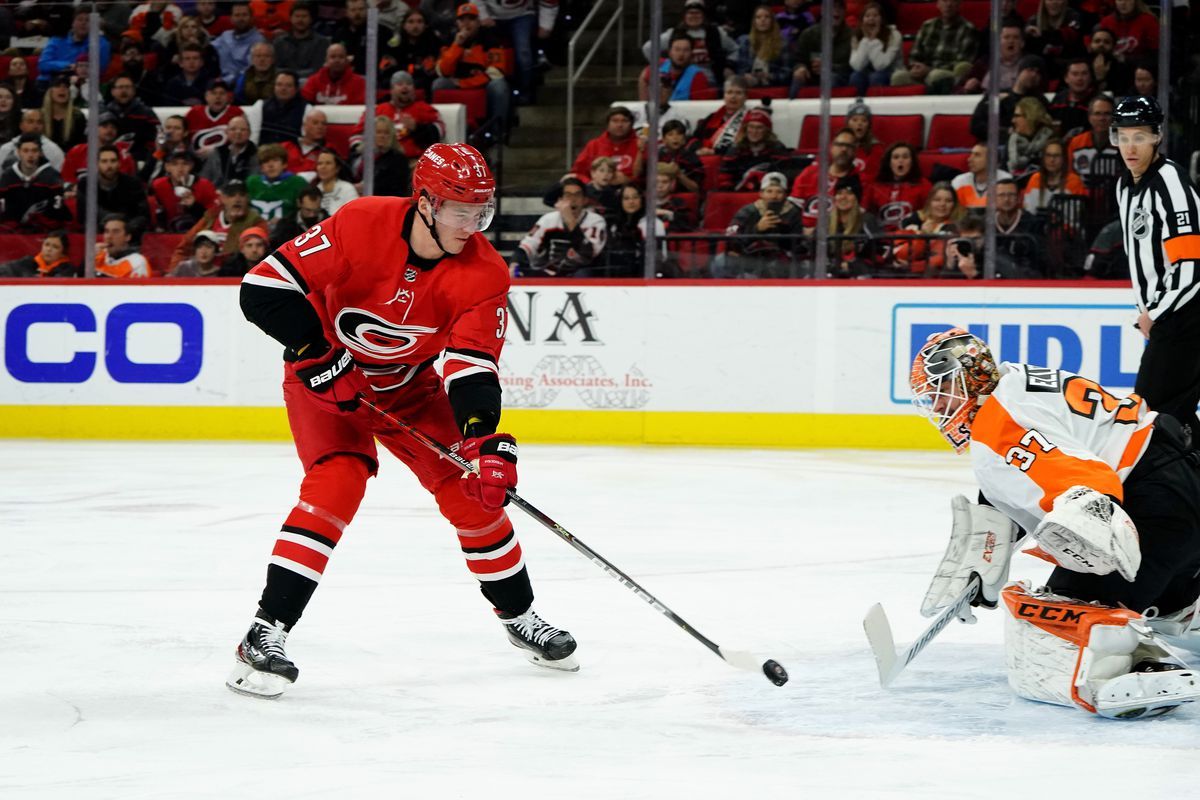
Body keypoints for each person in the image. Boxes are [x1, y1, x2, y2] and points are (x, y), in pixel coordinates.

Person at [226, 143, 578, 698]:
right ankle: (264, 633)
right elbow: (264, 288)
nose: (476, 223)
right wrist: (316, 356)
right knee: (336, 484)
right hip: (328, 387)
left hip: (409, 390)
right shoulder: (361, 223)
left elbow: (471, 365)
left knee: (473, 493)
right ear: (427, 202)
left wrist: (482, 439)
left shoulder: (484, 272)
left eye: (481, 210)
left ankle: (519, 618)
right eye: (464, 209)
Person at [908, 327, 1200, 718]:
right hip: (1182, 479)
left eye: (941, 392)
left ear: (965, 380)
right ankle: (1180, 604)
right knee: (1164, 595)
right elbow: (1036, 468)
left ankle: (1128, 673)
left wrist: (1092, 563)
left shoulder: (996, 424)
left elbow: (1085, 479)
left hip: (1152, 505)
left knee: (1052, 619)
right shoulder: (1020, 381)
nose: (939, 407)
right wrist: (984, 559)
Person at [1112, 96, 1200, 439]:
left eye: (1139, 137)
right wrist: (1147, 311)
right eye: (1123, 136)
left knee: (1148, 413)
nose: (1130, 146)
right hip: (1168, 319)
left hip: (1186, 315)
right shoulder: (1125, 186)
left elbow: (1191, 263)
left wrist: (1156, 313)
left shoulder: (1171, 182)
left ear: (1156, 137)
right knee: (1173, 415)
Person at [433, 4, 514, 134]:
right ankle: (445, 132)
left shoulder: (491, 39)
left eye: (471, 19)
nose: (466, 23)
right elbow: (443, 71)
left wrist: (463, 83)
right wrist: (457, 46)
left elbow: (496, 73)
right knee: (439, 84)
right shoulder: (449, 41)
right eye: (462, 19)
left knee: (499, 86)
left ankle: (497, 135)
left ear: (478, 22)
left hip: (483, 85)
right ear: (457, 23)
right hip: (459, 82)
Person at [714, 170, 805, 279]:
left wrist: (782, 230)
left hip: (781, 258)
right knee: (721, 261)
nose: (774, 196)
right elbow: (732, 238)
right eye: (769, 191)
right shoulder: (748, 211)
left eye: (779, 192)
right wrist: (757, 229)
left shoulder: (793, 213)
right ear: (761, 193)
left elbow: (799, 244)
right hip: (749, 257)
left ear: (785, 194)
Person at [512, 177, 607, 277]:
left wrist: (570, 221)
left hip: (582, 273)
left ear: (584, 200)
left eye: (577, 195)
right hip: (548, 272)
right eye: (568, 195)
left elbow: (589, 253)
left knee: (583, 274)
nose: (573, 199)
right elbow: (527, 246)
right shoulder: (548, 219)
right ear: (560, 199)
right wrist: (514, 264)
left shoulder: (596, 221)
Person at [170, 178, 265, 270]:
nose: (237, 199)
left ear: (247, 198)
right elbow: (184, 248)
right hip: (205, 272)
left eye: (242, 195)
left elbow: (263, 253)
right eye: (231, 195)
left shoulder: (255, 221)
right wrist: (173, 273)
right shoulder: (210, 217)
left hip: (236, 273)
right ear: (222, 198)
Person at [350, 71, 444, 161]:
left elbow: (439, 133)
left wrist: (417, 128)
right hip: (382, 161)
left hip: (415, 162)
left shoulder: (425, 109)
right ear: (391, 89)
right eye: (400, 84)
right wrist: (363, 152)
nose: (405, 87)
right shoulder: (377, 111)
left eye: (409, 83)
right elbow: (356, 135)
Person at [477, 0, 557, 105]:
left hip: (523, 15)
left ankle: (525, 93)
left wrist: (546, 25)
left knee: (523, 53)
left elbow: (549, 2)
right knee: (491, 55)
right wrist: (483, 15)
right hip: (492, 16)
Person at [890, 0, 977, 94]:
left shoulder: (968, 29)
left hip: (948, 74)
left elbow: (962, 63)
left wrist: (929, 69)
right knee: (898, 77)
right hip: (923, 72)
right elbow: (915, 54)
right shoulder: (927, 25)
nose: (948, 4)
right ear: (938, 4)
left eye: (952, 1)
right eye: (944, 1)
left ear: (959, 4)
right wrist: (916, 66)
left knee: (935, 76)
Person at [642, 0, 736, 85]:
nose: (694, 16)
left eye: (697, 13)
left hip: (711, 80)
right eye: (690, 13)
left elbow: (735, 49)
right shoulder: (674, 33)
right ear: (684, 15)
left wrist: (729, 65)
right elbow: (648, 48)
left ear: (703, 15)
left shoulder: (716, 32)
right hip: (681, 80)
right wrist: (665, 65)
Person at [789, 127, 859, 229]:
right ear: (831, 147)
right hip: (804, 235)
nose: (844, 149)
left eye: (848, 146)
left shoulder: (860, 180)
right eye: (839, 145)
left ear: (855, 151)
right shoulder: (809, 173)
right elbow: (793, 209)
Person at [0, 135, 69, 232]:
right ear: (18, 152)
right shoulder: (8, 176)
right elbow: (4, 213)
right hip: (13, 233)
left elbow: (56, 214)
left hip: (45, 232)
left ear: (40, 152)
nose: (30, 155)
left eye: (34, 150)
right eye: (25, 151)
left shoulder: (52, 177)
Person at [76, 144, 153, 232]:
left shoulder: (133, 183)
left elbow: (144, 216)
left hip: (128, 232)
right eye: (104, 161)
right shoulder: (85, 184)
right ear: (97, 164)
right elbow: (83, 217)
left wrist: (126, 228)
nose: (109, 166)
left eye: (113, 161)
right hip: (97, 233)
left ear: (119, 163)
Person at [892, 182, 961, 275]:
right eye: (937, 200)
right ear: (929, 202)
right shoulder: (913, 220)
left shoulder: (953, 228)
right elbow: (900, 253)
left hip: (935, 278)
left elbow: (938, 260)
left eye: (948, 201)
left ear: (954, 204)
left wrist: (912, 266)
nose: (942, 204)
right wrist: (923, 234)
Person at [718, 108, 791, 191]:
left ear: (767, 130)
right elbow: (724, 177)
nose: (754, 131)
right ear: (746, 129)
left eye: (759, 128)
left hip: (769, 193)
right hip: (739, 192)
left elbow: (784, 176)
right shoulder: (735, 149)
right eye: (751, 127)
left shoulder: (777, 149)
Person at [865, 142, 930, 233]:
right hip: (878, 239)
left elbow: (930, 213)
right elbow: (864, 214)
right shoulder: (875, 186)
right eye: (896, 157)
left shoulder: (923, 184)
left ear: (912, 162)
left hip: (911, 239)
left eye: (905, 157)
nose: (900, 161)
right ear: (889, 163)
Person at [788, 0, 851, 94]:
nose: (836, 11)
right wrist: (800, 67)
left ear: (844, 12)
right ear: (823, 11)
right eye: (832, 7)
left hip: (839, 77)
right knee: (798, 78)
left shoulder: (851, 35)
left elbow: (851, 67)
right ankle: (791, 106)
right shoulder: (808, 34)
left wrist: (828, 67)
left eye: (840, 8)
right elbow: (798, 59)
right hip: (812, 75)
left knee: (830, 79)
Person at [603, 184, 665, 278]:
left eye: (635, 197)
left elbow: (661, 257)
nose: (631, 202)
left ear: (642, 199)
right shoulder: (613, 225)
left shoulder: (654, 224)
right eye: (626, 198)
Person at [151, 150, 219, 232]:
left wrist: (194, 205)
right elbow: (156, 211)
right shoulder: (158, 185)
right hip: (168, 232)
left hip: (198, 231)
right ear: (167, 167)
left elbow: (213, 217)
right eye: (174, 164)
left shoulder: (205, 185)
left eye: (185, 164)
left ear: (191, 166)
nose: (180, 169)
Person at [38, 9, 112, 84]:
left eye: (88, 20)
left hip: (83, 83)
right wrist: (69, 65)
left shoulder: (101, 43)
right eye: (80, 19)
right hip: (49, 82)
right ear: (72, 23)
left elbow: (100, 69)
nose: (83, 23)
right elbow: (43, 65)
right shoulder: (56, 40)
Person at [570, 106, 638, 185]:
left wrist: (630, 180)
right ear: (607, 125)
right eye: (615, 121)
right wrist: (591, 184)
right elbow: (578, 172)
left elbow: (649, 174)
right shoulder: (594, 145)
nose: (620, 125)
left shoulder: (640, 145)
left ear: (631, 125)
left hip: (632, 192)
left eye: (624, 121)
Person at [106, 73, 162, 162]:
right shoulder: (105, 113)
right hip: (109, 158)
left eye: (128, 87)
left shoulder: (146, 113)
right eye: (120, 87)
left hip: (140, 159)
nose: (124, 90)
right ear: (112, 91)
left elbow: (158, 137)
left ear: (134, 90)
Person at [248, 143, 309, 224]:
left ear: (284, 164)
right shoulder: (252, 182)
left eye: (275, 160)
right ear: (261, 167)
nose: (270, 165)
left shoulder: (297, 183)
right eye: (266, 161)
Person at [848, 2, 901, 95]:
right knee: (855, 76)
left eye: (875, 15)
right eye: (867, 16)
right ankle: (858, 107)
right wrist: (865, 41)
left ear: (882, 19)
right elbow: (857, 66)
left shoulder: (894, 35)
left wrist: (873, 40)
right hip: (866, 71)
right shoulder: (857, 37)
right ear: (862, 20)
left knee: (876, 77)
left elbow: (880, 65)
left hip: (890, 71)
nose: (871, 19)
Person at [185, 78, 247, 156]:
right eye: (213, 93)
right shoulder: (193, 113)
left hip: (227, 160)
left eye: (222, 93)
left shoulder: (237, 113)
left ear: (228, 96)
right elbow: (184, 138)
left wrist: (218, 151)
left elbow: (243, 141)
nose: (218, 97)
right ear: (206, 96)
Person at [689, 76, 749, 157]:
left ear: (746, 97)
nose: (733, 97)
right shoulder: (712, 117)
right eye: (729, 92)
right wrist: (700, 149)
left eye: (738, 93)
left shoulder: (750, 119)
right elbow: (694, 138)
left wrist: (715, 152)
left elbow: (746, 147)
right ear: (724, 95)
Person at [1021, 138, 1086, 213]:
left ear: (1064, 158)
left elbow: (1078, 215)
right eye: (1048, 155)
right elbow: (1027, 211)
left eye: (1056, 155)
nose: (1052, 160)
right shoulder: (1035, 179)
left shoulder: (1074, 181)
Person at [354, 116, 411, 199]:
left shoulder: (399, 160)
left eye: (386, 133)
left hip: (382, 201)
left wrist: (367, 187)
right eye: (378, 132)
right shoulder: (357, 156)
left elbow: (397, 189)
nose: (382, 136)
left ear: (392, 136)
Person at [736, 5, 791, 90]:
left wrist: (770, 76)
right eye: (758, 17)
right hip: (748, 85)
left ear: (772, 21)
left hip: (773, 85)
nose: (763, 20)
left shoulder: (782, 43)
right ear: (754, 22)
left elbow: (787, 73)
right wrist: (745, 76)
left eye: (767, 17)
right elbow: (740, 69)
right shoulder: (745, 41)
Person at [272, 3, 329, 81]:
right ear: (291, 18)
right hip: (284, 82)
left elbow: (317, 70)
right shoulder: (279, 42)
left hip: (311, 82)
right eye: (297, 16)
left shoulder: (322, 42)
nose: (300, 20)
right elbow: (275, 68)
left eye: (304, 16)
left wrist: (292, 75)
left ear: (311, 19)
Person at [213, 3, 266, 85]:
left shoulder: (258, 41)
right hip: (219, 83)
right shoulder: (225, 36)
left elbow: (250, 70)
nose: (241, 19)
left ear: (252, 18)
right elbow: (207, 47)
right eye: (237, 15)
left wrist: (226, 80)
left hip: (244, 84)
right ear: (231, 18)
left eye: (244, 15)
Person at [1007, 97, 1059, 180]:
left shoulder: (1051, 142)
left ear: (1030, 117)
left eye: (1017, 116)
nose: (1013, 120)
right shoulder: (1013, 141)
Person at [200, 115, 259, 187]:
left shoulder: (257, 153)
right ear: (226, 132)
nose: (238, 132)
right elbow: (205, 179)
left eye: (243, 129)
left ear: (249, 133)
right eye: (233, 129)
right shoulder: (217, 153)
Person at [300, 43, 366, 106]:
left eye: (341, 57)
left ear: (346, 60)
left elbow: (361, 108)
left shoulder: (359, 82)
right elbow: (304, 104)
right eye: (333, 57)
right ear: (326, 60)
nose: (337, 60)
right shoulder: (314, 81)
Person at [0, 110, 66, 172]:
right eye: (30, 122)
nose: (35, 126)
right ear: (21, 125)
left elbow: (60, 177)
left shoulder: (53, 150)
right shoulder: (6, 149)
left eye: (39, 122)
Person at [952, 143, 1012, 209]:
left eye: (977, 155)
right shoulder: (960, 181)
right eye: (971, 154)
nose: (969, 159)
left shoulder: (1006, 181)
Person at [1048, 58, 1097, 141]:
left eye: (1084, 74)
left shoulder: (1098, 102)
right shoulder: (1058, 100)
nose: (1079, 78)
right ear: (1066, 78)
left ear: (1090, 78)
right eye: (1075, 74)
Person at [259, 70, 309, 146]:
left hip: (292, 153)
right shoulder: (261, 106)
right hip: (265, 152)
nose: (283, 88)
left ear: (296, 89)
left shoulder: (306, 109)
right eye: (279, 85)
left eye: (288, 85)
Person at [95, 214, 152, 278]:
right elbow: (83, 280)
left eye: (116, 232)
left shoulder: (137, 262)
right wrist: (89, 259)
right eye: (106, 231)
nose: (109, 236)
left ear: (127, 237)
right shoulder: (99, 254)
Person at [40, 72, 86, 150]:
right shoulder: (39, 115)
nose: (62, 89)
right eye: (57, 86)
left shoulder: (77, 116)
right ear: (50, 92)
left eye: (66, 86)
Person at [0, 230, 74, 278]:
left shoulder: (67, 269)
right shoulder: (27, 262)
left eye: (55, 247)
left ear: (63, 253)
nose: (49, 249)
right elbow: (4, 270)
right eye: (47, 245)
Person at [312, 151, 358, 215]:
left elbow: (354, 214)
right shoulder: (314, 190)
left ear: (337, 168)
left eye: (328, 163)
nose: (323, 167)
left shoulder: (347, 188)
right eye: (320, 163)